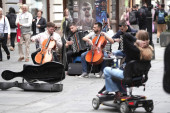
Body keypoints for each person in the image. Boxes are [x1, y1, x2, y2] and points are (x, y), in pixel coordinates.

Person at [102, 30, 153, 98]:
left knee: (106, 70)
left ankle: (116, 91)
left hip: (127, 75)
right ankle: (123, 91)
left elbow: (125, 36)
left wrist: (136, 40)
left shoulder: (133, 49)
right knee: (118, 70)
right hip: (140, 76)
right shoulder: (149, 50)